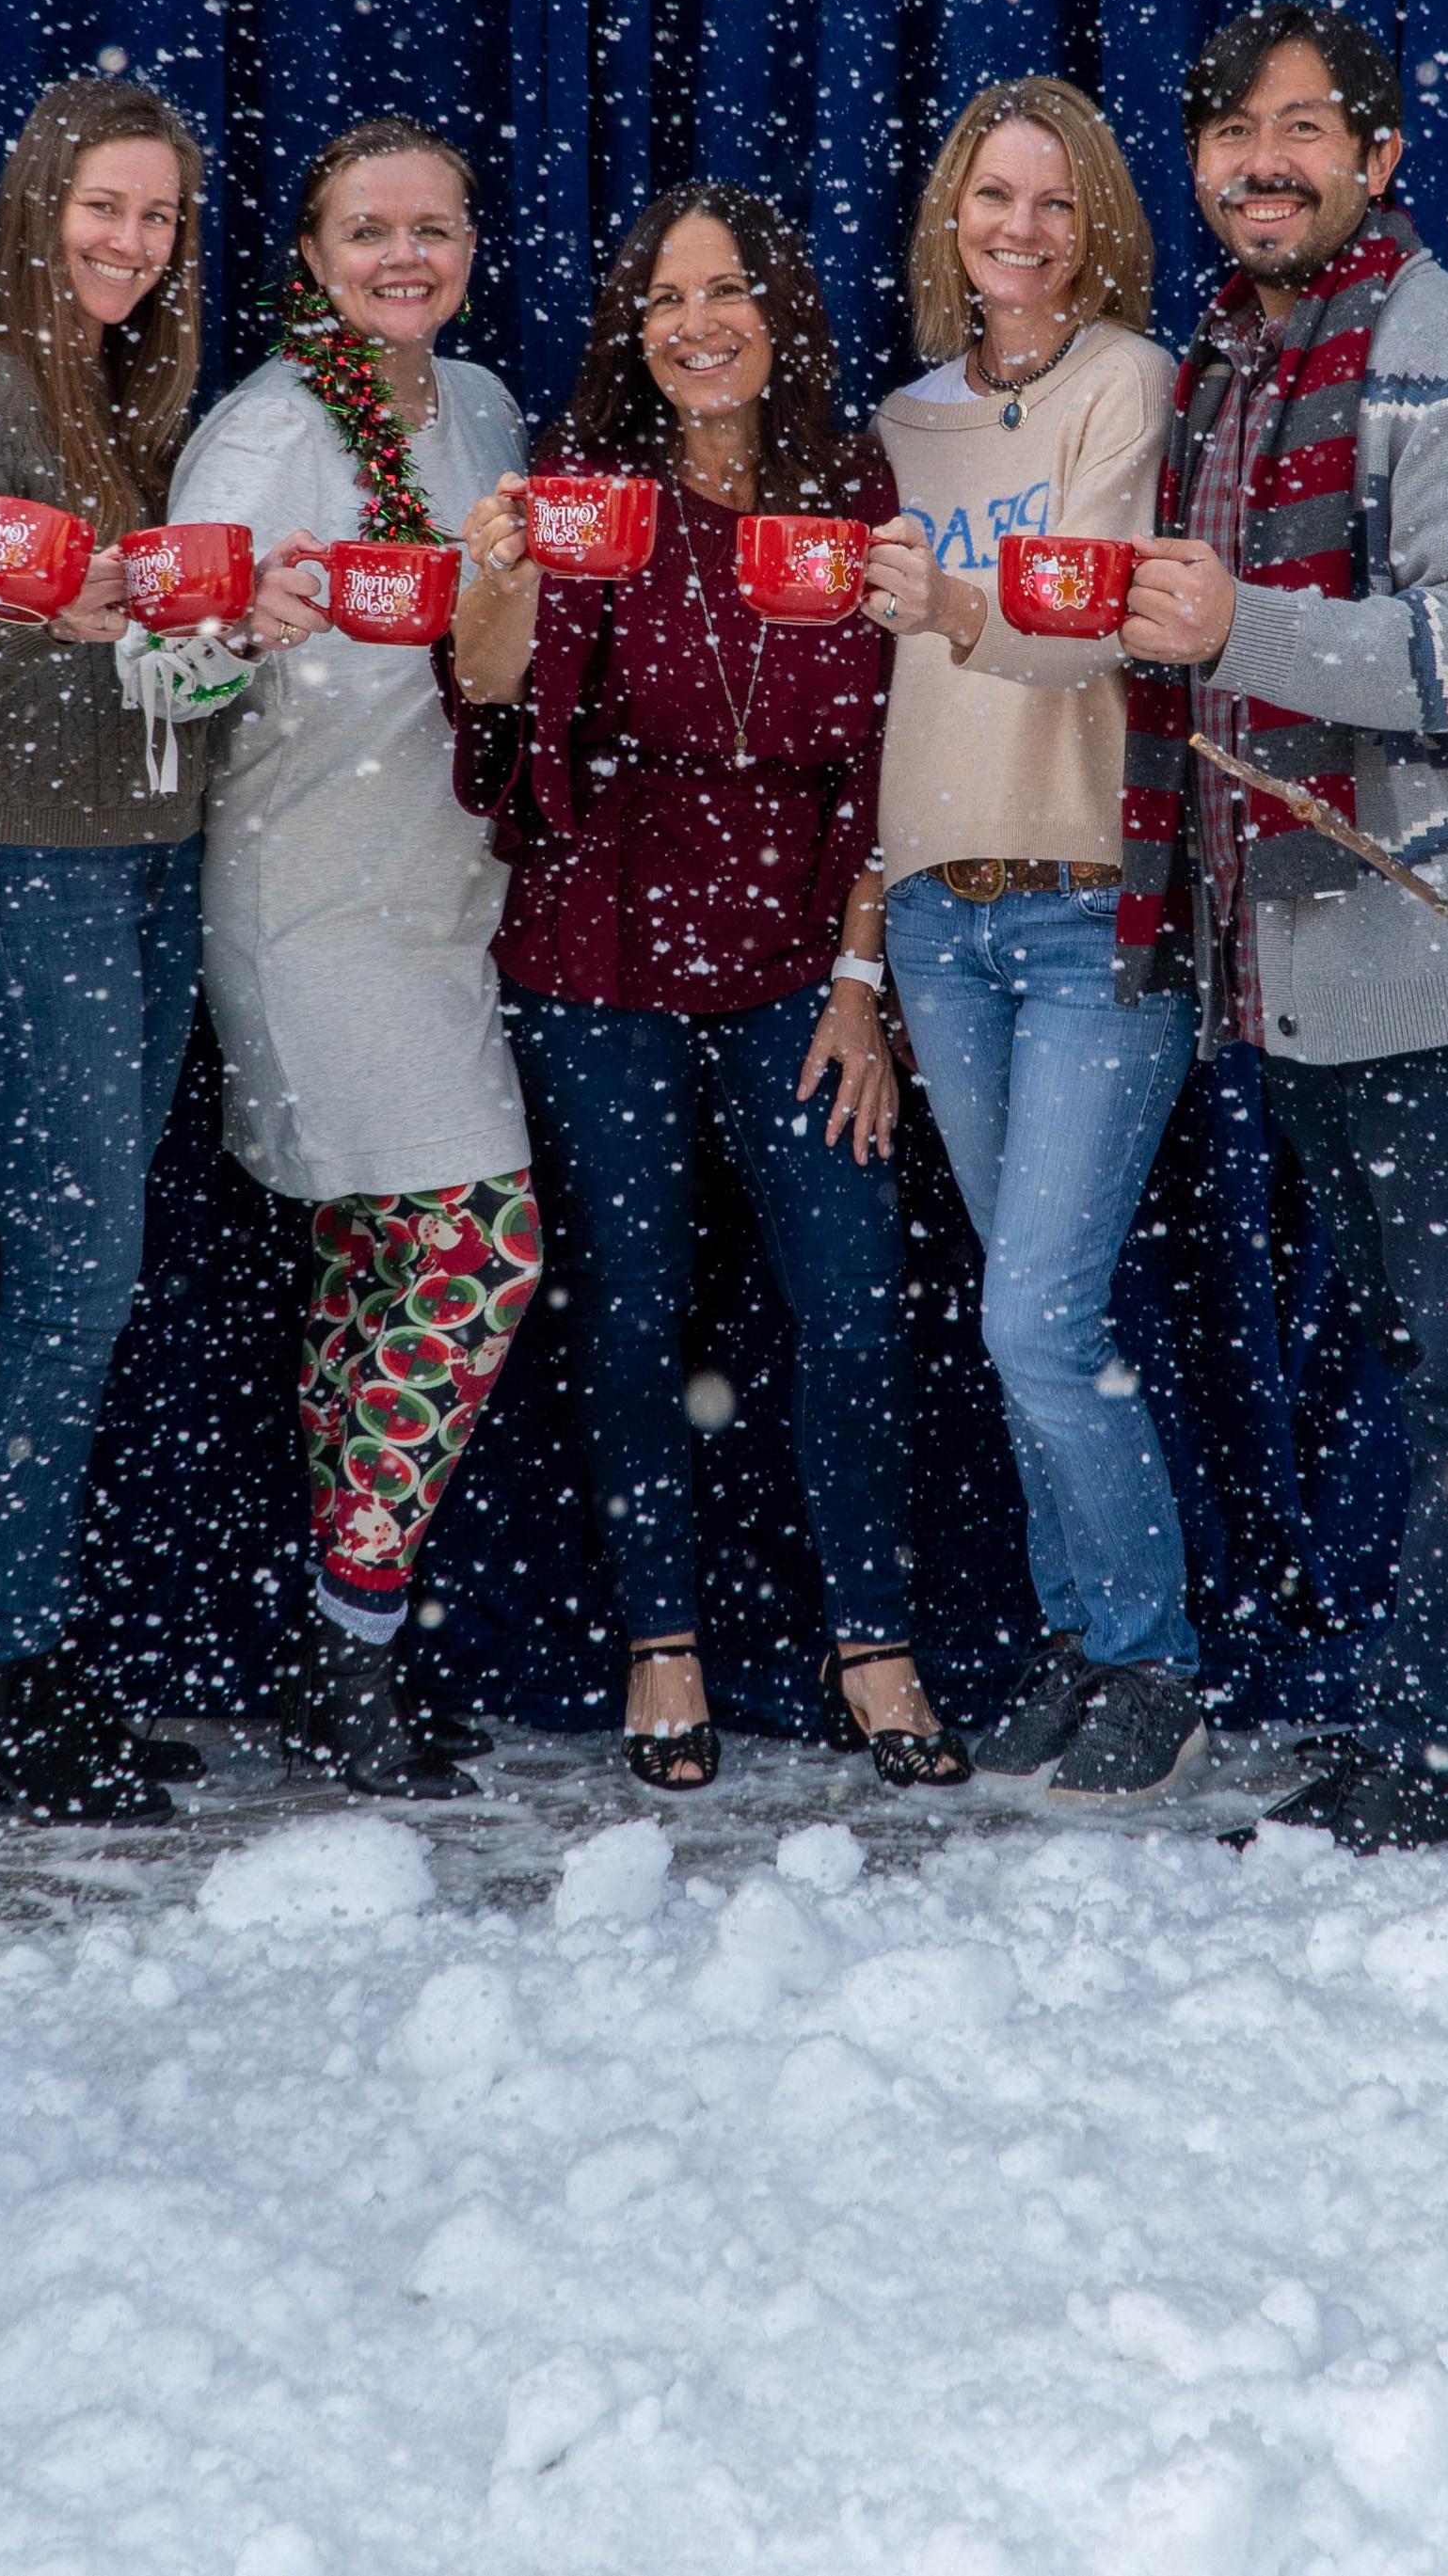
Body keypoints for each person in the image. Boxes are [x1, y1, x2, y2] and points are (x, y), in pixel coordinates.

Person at [1115, 1, 1448, 1852]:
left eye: (1302, 128)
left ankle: (1424, 1742)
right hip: (1317, 956)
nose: (1261, 160)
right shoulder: (1237, 365)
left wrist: (1230, 629)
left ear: (1379, 157)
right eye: (1229, 129)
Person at [448, 184, 964, 1792]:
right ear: (633, 330)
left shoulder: (856, 492)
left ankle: (870, 1638)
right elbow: (487, 699)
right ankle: (658, 1641)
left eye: (729, 288)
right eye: (665, 297)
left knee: (853, 1300)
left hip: (804, 953)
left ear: (778, 312)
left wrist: (860, 979)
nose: (697, 321)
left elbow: (902, 756)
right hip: (599, 943)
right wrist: (497, 570)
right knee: (630, 1308)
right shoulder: (586, 494)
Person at [0, 74, 251, 1825]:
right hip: (22, 880)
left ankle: (32, 1652)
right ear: (41, 209)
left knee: (86, 1277)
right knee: (72, 1278)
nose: (129, 241)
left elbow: (113, 654)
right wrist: (84, 621)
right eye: (102, 208)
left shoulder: (117, 389)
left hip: (140, 869)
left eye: (158, 216)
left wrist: (200, 641)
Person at [171, 117, 548, 1797]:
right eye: (368, 230)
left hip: (447, 898)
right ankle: (352, 1638)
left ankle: (353, 1645)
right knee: (479, 1252)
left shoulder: (480, 411)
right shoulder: (260, 436)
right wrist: (221, 635)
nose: (406, 255)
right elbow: (159, 693)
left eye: (435, 228)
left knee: (380, 1278)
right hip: (310, 906)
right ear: (312, 255)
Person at [850, 82, 1207, 1800]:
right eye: (993, 198)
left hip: (1086, 907)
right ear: (950, 217)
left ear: (1097, 226)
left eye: (1054, 204)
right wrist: (864, 948)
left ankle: (1150, 1657)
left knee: (1035, 1321)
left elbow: (1092, 635)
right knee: (1018, 1307)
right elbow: (869, 710)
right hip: (938, 913)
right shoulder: (900, 423)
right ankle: (1077, 1638)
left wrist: (956, 603)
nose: (1021, 229)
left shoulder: (1121, 383)